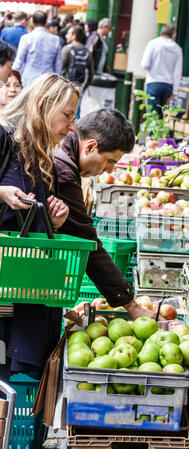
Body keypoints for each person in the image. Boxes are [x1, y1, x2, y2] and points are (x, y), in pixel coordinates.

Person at [0, 73, 78, 384]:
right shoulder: (4, 138)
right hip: (6, 289)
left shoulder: (44, 157)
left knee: (7, 379)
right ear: (44, 105)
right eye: (68, 115)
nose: (72, 126)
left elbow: (35, 220)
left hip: (24, 290)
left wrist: (53, 220)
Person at [54, 108, 157, 320]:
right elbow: (87, 241)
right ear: (90, 146)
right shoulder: (63, 172)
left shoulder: (63, 155)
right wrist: (131, 305)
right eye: (110, 161)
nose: (110, 170)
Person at [141, 24, 183, 119]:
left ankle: (153, 134)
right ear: (173, 35)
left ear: (161, 32)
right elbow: (177, 72)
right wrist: (174, 91)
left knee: (152, 116)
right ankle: (159, 134)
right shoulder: (177, 49)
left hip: (153, 82)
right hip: (168, 85)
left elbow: (145, 64)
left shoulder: (152, 44)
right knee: (162, 115)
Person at [13, 10, 62, 87]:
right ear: (46, 22)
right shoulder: (55, 39)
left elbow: (19, 61)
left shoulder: (26, 38)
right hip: (48, 80)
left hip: (29, 79)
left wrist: (12, 76)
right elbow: (58, 63)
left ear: (32, 22)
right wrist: (58, 80)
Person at [62, 25, 94, 118]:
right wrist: (84, 86)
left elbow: (61, 68)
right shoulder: (87, 51)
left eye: (69, 34)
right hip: (79, 86)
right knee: (76, 110)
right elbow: (91, 72)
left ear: (74, 36)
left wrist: (62, 83)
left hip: (66, 85)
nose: (66, 36)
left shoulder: (67, 49)